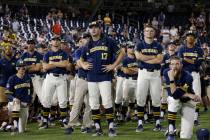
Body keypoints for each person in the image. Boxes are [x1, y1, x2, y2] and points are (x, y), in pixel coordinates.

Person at [79, 21, 125, 137]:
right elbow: (80, 59)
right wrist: (83, 65)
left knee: (107, 102)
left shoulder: (109, 41)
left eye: (96, 27)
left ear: (100, 29)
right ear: (89, 30)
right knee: (94, 104)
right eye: (91, 28)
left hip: (105, 76)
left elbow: (121, 53)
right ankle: (98, 128)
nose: (93, 30)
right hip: (91, 77)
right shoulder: (87, 44)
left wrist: (113, 65)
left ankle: (110, 127)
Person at [135, 24, 163, 132]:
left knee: (156, 99)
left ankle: (157, 123)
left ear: (154, 33)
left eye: (151, 31)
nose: (149, 33)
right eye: (147, 31)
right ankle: (140, 123)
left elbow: (159, 60)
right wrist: (152, 57)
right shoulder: (140, 44)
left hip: (155, 74)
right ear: (144, 32)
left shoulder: (158, 45)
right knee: (141, 98)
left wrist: (145, 59)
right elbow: (138, 57)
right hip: (143, 73)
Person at [163, 56, 201, 140]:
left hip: (188, 103)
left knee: (186, 136)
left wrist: (186, 95)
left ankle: (177, 131)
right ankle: (171, 130)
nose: (174, 66)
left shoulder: (188, 76)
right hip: (176, 101)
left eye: (177, 64)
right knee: (173, 100)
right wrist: (188, 94)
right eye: (172, 64)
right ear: (169, 66)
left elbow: (177, 93)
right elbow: (174, 95)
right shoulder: (166, 72)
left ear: (181, 65)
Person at [40, 37, 70, 129]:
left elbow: (65, 64)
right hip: (50, 77)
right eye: (54, 40)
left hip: (61, 77)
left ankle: (64, 120)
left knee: (63, 101)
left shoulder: (64, 53)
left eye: (57, 40)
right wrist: (58, 63)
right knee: (46, 100)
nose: (55, 41)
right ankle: (45, 121)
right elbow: (45, 67)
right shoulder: (47, 53)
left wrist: (52, 63)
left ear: (60, 42)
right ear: (51, 42)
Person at [178, 30, 204, 125]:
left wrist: (185, 59)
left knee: (197, 94)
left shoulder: (199, 49)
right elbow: (180, 62)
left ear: (195, 38)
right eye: (188, 36)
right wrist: (192, 61)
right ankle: (185, 116)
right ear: (186, 38)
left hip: (195, 74)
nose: (190, 37)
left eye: (192, 36)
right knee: (184, 94)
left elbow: (198, 63)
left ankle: (195, 118)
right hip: (184, 75)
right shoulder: (181, 49)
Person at [6, 59, 33, 135]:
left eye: (23, 67)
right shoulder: (12, 78)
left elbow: (31, 90)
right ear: (17, 68)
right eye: (20, 67)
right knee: (16, 103)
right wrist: (13, 98)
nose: (22, 69)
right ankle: (15, 127)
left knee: (22, 130)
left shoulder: (28, 77)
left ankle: (10, 127)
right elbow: (7, 93)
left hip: (24, 104)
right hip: (14, 103)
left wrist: (30, 100)